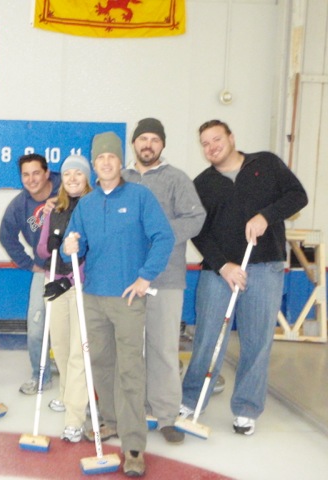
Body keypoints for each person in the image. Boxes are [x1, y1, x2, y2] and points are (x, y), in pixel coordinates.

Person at [180, 120, 308, 436]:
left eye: (216, 139)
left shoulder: (265, 163)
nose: (211, 147)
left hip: (265, 266)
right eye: (205, 143)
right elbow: (199, 233)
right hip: (219, 273)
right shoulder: (203, 184)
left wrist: (266, 216)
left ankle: (247, 409)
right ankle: (191, 400)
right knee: (208, 338)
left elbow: (297, 196)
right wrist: (223, 265)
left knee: (256, 340)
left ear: (231, 138)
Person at [62, 131, 174, 477]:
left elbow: (163, 237)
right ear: (94, 165)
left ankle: (134, 445)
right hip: (93, 297)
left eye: (111, 157)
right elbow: (77, 243)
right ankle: (109, 421)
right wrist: (71, 245)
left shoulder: (139, 196)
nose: (106, 162)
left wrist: (145, 277)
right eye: (100, 158)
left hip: (127, 299)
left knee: (130, 371)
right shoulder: (88, 204)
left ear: (119, 162)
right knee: (102, 365)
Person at [121, 118, 206, 445]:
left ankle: (167, 414)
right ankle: (133, 409)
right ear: (134, 144)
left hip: (166, 278)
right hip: (126, 279)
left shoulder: (177, 179)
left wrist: (159, 234)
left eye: (154, 139)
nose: (148, 145)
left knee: (164, 348)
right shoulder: (123, 178)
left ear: (163, 145)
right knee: (129, 349)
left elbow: (196, 219)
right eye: (143, 138)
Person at [36, 154, 92, 443]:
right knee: (59, 342)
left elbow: (94, 251)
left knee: (77, 351)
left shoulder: (94, 206)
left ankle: (74, 417)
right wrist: (51, 244)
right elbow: (43, 251)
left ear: (86, 178)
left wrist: (71, 274)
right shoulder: (54, 208)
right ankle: (64, 393)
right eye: (68, 174)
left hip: (81, 287)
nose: (72, 179)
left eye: (78, 174)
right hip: (55, 282)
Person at [0, 153, 61, 395]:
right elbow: (7, 237)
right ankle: (41, 375)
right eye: (26, 174)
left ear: (47, 173)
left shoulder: (67, 190)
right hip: (44, 271)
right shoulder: (19, 205)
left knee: (76, 328)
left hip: (77, 272)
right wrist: (29, 264)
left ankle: (76, 378)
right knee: (36, 328)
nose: (32, 179)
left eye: (36, 173)